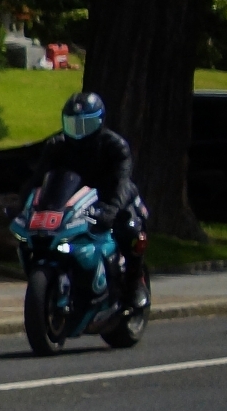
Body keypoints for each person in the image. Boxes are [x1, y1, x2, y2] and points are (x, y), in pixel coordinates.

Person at [31, 91, 144, 303]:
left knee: (129, 230)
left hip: (112, 197)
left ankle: (134, 284)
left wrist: (111, 209)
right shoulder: (56, 146)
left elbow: (121, 182)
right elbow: (39, 180)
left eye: (86, 125)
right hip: (77, 200)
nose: (79, 133)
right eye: (73, 125)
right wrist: (25, 205)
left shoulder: (115, 146)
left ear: (99, 122)